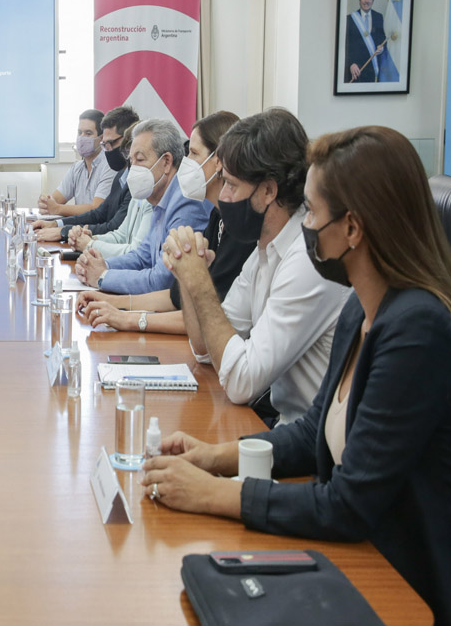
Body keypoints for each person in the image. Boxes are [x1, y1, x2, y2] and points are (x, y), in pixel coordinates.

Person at [140, 125, 451, 625]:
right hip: (351, 558)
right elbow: (314, 434)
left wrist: (213, 494)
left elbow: (347, 504)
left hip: (398, 582)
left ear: (353, 229)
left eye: (313, 212)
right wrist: (214, 458)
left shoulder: (418, 330)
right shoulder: (361, 309)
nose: (303, 224)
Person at [160, 108, 347, 424]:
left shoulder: (307, 257)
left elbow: (241, 382)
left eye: (231, 184)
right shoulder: (266, 248)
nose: (224, 196)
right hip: (289, 432)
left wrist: (200, 283)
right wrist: (189, 274)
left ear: (268, 191)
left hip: (310, 445)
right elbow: (206, 349)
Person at [78, 111, 255, 335]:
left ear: (219, 162)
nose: (187, 162)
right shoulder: (215, 217)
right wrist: (109, 290)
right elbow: (176, 291)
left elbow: (168, 283)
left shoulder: (189, 202)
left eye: (192, 153)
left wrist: (122, 308)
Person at [74, 118, 210, 295]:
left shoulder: (185, 202)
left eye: (140, 160)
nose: (133, 169)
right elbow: (143, 256)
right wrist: (102, 265)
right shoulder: (158, 197)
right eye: (131, 161)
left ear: (167, 162)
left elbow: (161, 280)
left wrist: (102, 276)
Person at [32, 106, 139, 243]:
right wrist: (56, 224)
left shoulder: (134, 182)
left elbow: (113, 228)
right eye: (105, 144)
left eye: (111, 143)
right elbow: (99, 214)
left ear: (129, 142)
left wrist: (63, 231)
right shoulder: (121, 177)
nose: (108, 150)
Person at [36, 109, 116, 218]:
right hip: (77, 229)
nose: (82, 138)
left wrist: (57, 208)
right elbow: (55, 199)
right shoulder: (77, 168)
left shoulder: (110, 166)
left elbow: (97, 208)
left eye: (88, 133)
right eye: (79, 133)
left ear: (101, 138)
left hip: (98, 231)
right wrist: (46, 203)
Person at [344, 0, 387, 83]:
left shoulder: (378, 17)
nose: (366, 1)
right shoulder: (349, 19)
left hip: (373, 69)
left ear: (373, 0)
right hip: (356, 70)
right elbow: (345, 46)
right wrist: (350, 64)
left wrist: (382, 47)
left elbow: (382, 38)